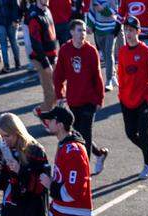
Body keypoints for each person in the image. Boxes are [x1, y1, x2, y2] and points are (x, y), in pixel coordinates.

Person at [52, 14, 104, 148]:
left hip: (89, 100)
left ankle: (85, 168)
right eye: (79, 30)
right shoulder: (65, 50)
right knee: (78, 134)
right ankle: (99, 153)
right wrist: (60, 95)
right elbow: (58, 76)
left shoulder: (91, 51)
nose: (83, 33)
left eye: (85, 30)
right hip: (73, 100)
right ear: (71, 32)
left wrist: (99, 99)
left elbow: (97, 76)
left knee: (85, 135)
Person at [116, 17, 148, 167]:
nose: (128, 33)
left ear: (138, 32)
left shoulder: (145, 51)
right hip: (126, 99)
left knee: (144, 133)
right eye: (126, 30)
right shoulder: (122, 52)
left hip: (143, 100)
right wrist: (121, 94)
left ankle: (147, 166)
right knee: (130, 133)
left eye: (131, 30)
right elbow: (120, 74)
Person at [24, 0, 58, 109]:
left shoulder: (47, 10)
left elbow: (52, 35)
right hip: (41, 58)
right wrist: (45, 64)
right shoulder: (34, 16)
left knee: (58, 91)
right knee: (50, 94)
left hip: (52, 56)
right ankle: (43, 113)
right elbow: (36, 43)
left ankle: (52, 116)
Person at [89, 0, 118, 86]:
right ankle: (113, 74)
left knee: (109, 53)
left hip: (111, 29)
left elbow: (114, 11)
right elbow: (91, 12)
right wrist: (90, 26)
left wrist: (102, 9)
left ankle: (109, 80)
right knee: (105, 54)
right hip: (98, 30)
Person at [0, 0, 22, 68]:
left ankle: (17, 61)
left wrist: (16, 20)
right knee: (3, 44)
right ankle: (6, 65)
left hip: (11, 21)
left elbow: (16, 7)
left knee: (13, 42)